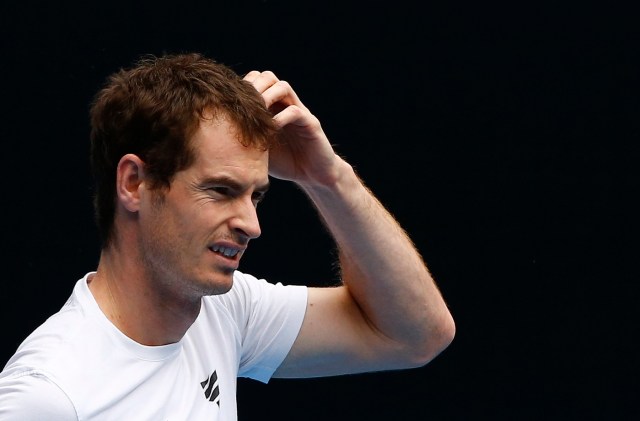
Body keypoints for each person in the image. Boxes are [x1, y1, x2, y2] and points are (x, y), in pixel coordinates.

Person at [0, 52, 455, 420]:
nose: (252, 226)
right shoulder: (46, 395)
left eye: (255, 196)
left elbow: (416, 335)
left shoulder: (225, 312)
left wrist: (327, 178)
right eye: (220, 190)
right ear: (134, 183)